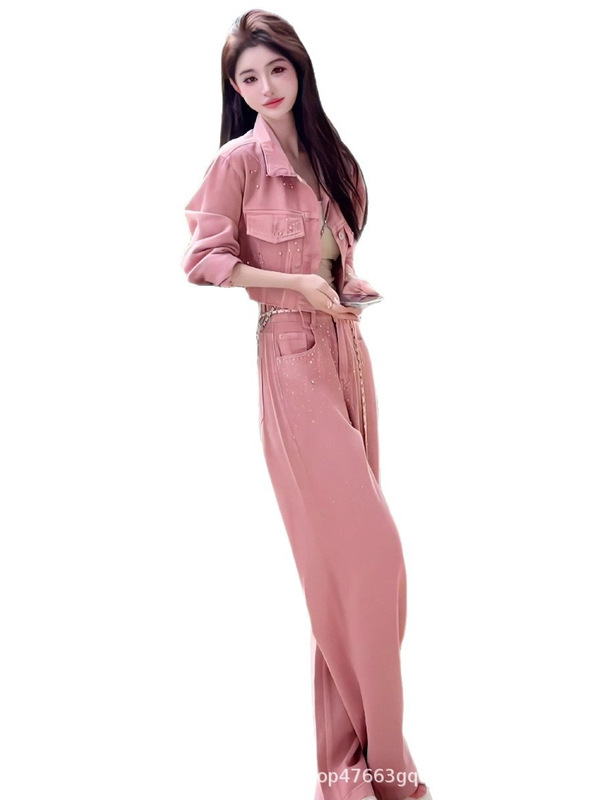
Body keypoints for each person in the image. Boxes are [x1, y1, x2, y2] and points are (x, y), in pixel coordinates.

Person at [180, 10, 433, 800]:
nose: (265, 86)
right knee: (374, 559)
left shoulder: (331, 156)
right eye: (248, 77)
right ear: (235, 89)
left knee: (345, 573)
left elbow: (336, 259)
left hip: (348, 351)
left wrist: (347, 288)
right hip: (290, 357)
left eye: (276, 69)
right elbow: (203, 259)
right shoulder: (237, 162)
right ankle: (390, 770)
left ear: (300, 69)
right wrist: (293, 284)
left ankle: (349, 771)